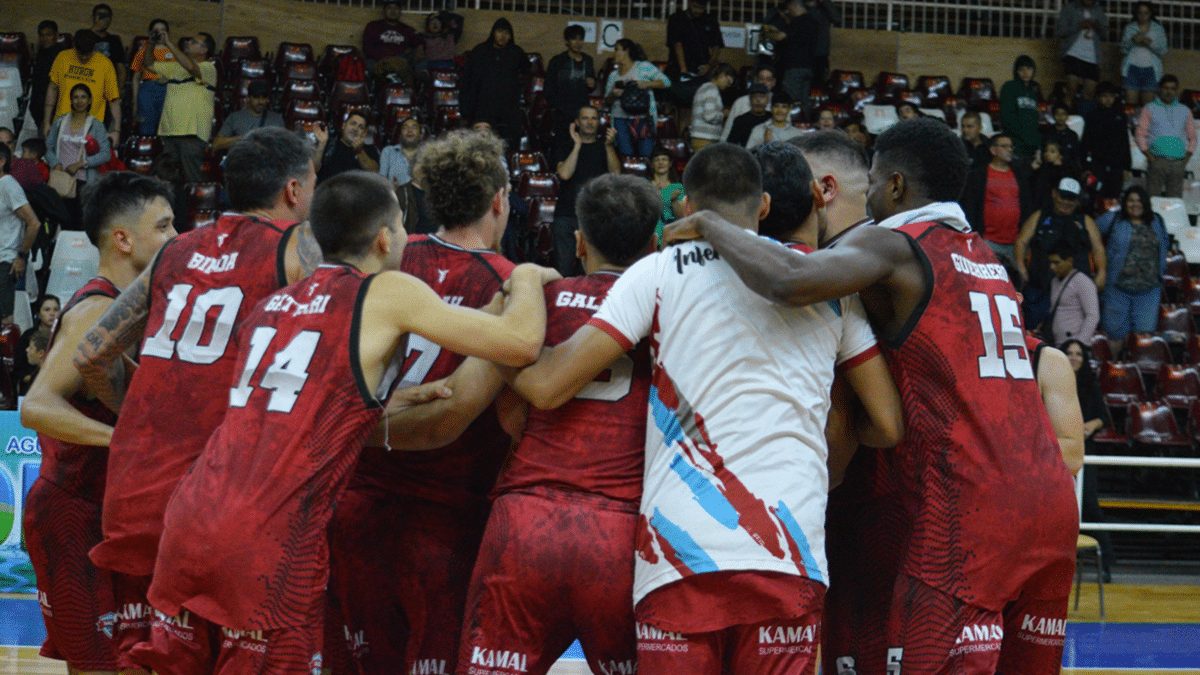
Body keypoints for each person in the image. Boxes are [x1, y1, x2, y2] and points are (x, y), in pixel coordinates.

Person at [664, 118, 1080, 675]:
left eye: (878, 180)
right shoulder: (982, 254)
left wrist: (711, 223)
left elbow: (789, 280)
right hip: (1049, 505)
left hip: (970, 506)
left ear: (898, 186)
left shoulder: (894, 244)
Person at [498, 141, 902, 675]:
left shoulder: (659, 271)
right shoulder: (832, 287)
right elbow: (889, 424)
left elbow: (548, 385)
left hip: (679, 552)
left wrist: (503, 321)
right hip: (790, 547)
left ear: (687, 208)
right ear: (760, 206)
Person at [142, 170, 554, 675]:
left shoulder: (273, 304)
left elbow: (287, 410)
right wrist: (531, 277)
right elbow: (521, 342)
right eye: (402, 228)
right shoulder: (386, 290)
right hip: (268, 539)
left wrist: (383, 403)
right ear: (384, 237)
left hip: (189, 520)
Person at [70, 127, 324, 670]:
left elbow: (91, 353)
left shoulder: (175, 251)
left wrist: (144, 412)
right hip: (219, 500)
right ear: (296, 192)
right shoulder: (297, 251)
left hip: (137, 495)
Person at [326, 130, 528, 675]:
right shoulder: (512, 286)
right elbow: (506, 415)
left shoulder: (385, 257)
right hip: (445, 520)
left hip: (354, 501)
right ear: (498, 201)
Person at [452, 172, 657, 675]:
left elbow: (509, 411)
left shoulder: (542, 301)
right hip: (622, 527)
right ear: (654, 244)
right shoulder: (666, 310)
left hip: (526, 518)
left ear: (580, 242)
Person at [20, 172, 174, 675]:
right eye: (165, 226)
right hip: (74, 512)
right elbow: (37, 406)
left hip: (113, 514)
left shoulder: (135, 306)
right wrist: (125, 442)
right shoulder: (99, 308)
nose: (175, 239)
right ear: (124, 238)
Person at [1015, 177, 1106, 329]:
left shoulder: (1086, 221)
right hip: (1040, 288)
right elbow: (1021, 242)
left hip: (1074, 295)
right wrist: (1020, 266)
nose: (1066, 202)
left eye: (1071, 199)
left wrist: (1102, 272)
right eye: (1063, 196)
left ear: (1077, 201)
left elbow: (1098, 248)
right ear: (1055, 194)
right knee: (1034, 332)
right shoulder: (1039, 216)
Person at [1061, 338, 1115, 581]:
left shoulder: (1090, 384)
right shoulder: (1052, 381)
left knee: (1090, 505)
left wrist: (1090, 425)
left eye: (1079, 354)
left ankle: (1106, 563)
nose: (1074, 357)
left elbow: (1102, 417)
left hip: (1085, 449)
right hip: (1057, 449)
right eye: (1069, 353)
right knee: (1059, 506)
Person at [1097, 185, 1168, 356]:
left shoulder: (1157, 220)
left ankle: (1135, 377)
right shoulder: (1113, 219)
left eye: (1139, 200)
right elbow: (1089, 232)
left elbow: (1164, 245)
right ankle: (1114, 372)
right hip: (1117, 290)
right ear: (1124, 203)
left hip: (1148, 292)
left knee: (1143, 338)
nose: (1134, 204)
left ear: (1146, 203)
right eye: (1130, 200)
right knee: (1114, 335)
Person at [553, 105, 620, 276]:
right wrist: (577, 146)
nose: (590, 123)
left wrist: (609, 146)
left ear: (599, 122)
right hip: (566, 214)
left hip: (595, 215)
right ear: (577, 122)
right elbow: (565, 174)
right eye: (585, 118)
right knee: (564, 270)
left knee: (593, 271)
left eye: (594, 118)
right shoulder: (565, 145)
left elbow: (616, 174)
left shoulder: (606, 147)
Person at [146, 32, 217, 186]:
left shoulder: (208, 68)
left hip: (191, 135)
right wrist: (150, 44)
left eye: (193, 41)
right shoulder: (175, 67)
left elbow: (191, 67)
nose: (188, 43)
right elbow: (149, 64)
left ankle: (191, 210)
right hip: (170, 132)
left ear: (204, 50)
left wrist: (169, 44)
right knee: (165, 181)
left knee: (192, 182)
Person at [960, 132, 1034, 262]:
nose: (1009, 150)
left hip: (1015, 242)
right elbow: (970, 207)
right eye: (1004, 146)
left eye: (1011, 147)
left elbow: (1027, 206)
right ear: (993, 150)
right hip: (987, 240)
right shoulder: (978, 175)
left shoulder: (1020, 175)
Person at [43, 30, 121, 147]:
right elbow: (52, 89)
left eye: (87, 54)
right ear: (74, 46)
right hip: (62, 124)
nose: (84, 57)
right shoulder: (63, 57)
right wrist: (46, 122)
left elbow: (113, 100)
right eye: (81, 54)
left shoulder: (105, 64)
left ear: (94, 47)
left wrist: (116, 130)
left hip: (91, 128)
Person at [462, 18, 529, 152]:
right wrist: (465, 108)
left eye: (507, 33)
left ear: (511, 35)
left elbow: (526, 71)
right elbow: (467, 81)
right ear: (493, 33)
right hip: (482, 107)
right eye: (500, 31)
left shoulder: (516, 52)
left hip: (508, 109)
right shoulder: (480, 51)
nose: (503, 36)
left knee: (509, 144)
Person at [605, 39, 670, 158]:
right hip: (620, 119)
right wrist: (614, 94)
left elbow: (666, 82)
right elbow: (606, 101)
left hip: (642, 118)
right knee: (625, 156)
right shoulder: (613, 75)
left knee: (646, 154)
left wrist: (646, 84)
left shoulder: (643, 67)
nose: (615, 53)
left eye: (617, 50)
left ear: (627, 51)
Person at [1136, 75, 1197, 199]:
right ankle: (1152, 219)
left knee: (1174, 201)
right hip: (1157, 161)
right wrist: (1151, 158)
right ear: (1159, 89)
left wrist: (1185, 160)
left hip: (1178, 163)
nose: (1169, 92)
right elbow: (1139, 134)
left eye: (1172, 89)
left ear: (1176, 91)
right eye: (1165, 88)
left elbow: (1193, 137)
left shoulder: (1185, 110)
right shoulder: (1149, 108)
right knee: (1152, 199)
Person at [0, 144, 42, 325]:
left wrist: (21, 256)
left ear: (1, 161)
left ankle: (6, 353)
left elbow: (34, 223)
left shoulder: (9, 186)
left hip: (5, 259)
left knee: (5, 319)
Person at [45, 84, 113, 193]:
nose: (79, 101)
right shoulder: (60, 122)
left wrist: (80, 164)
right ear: (71, 100)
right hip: (60, 177)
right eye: (76, 97)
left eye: (83, 97)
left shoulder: (96, 125)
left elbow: (105, 154)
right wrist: (56, 164)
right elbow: (48, 148)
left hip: (84, 180)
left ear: (90, 100)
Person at [665, 0, 725, 116]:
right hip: (678, 69)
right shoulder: (677, 19)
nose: (699, 11)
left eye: (701, 8)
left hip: (702, 69)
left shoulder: (710, 20)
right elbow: (677, 45)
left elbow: (717, 47)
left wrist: (709, 65)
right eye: (696, 7)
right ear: (690, 3)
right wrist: (683, 70)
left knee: (700, 105)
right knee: (678, 105)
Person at [545, 24, 597, 146]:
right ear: (567, 41)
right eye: (574, 39)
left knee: (583, 145)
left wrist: (592, 84)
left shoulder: (588, 60)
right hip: (562, 112)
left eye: (581, 39)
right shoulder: (557, 61)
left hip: (582, 112)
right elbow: (548, 87)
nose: (578, 42)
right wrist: (557, 106)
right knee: (562, 145)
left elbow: (592, 84)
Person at [764, 0, 818, 115]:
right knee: (803, 101)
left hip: (794, 67)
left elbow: (779, 37)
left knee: (791, 100)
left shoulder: (798, 21)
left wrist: (767, 31)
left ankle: (792, 124)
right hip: (808, 67)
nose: (789, 11)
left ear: (794, 5)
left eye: (789, 8)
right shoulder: (813, 21)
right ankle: (804, 123)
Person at [1044, 240, 1101, 346]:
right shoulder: (1054, 281)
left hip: (1074, 346)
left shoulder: (1083, 282)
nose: (1052, 267)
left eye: (1056, 262)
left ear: (1069, 261)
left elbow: (1093, 316)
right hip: (1057, 343)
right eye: (1050, 263)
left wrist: (1079, 343)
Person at [1082, 81, 1133, 199]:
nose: (1108, 99)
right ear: (1098, 97)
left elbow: (1124, 142)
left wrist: (1126, 167)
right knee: (1093, 196)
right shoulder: (1092, 116)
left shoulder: (1120, 116)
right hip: (1096, 165)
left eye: (1111, 96)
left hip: (1116, 166)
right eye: (1104, 96)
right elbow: (1086, 142)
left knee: (1113, 198)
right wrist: (1086, 167)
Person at [1057, 0, 1108, 109]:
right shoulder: (1070, 8)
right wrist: (1080, 25)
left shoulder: (1098, 11)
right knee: (1071, 88)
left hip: (1092, 57)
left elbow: (1105, 34)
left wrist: (1098, 26)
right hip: (1073, 53)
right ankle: (1066, 120)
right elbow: (1060, 31)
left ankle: (1085, 122)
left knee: (1089, 94)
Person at [212, 79, 284, 152]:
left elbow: (285, 148)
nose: (261, 101)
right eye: (256, 97)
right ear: (248, 98)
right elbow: (216, 144)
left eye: (264, 97)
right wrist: (245, 138)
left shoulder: (277, 119)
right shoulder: (235, 117)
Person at [129, 19, 173, 137]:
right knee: (146, 130)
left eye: (163, 31)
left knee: (166, 129)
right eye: (156, 31)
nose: (159, 34)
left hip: (168, 90)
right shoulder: (143, 52)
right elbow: (136, 78)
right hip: (147, 90)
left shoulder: (174, 52)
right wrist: (134, 102)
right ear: (150, 34)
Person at [362, 0, 424, 84]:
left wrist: (419, 48)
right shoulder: (373, 26)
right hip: (379, 60)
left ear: (400, 11)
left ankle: (419, 85)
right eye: (389, 8)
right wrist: (389, 57)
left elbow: (419, 40)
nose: (393, 11)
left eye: (396, 8)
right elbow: (367, 47)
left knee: (419, 56)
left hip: (401, 60)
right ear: (384, 11)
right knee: (367, 64)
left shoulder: (407, 29)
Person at [1121, 2, 1168, 106]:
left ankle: (1145, 123)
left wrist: (1150, 43)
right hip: (1131, 69)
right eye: (1140, 13)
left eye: (1146, 13)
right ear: (1136, 14)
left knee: (1148, 107)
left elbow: (1163, 50)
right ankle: (1131, 122)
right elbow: (1123, 49)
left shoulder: (1158, 29)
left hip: (1151, 70)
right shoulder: (1130, 28)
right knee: (1130, 106)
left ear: (1150, 13)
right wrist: (1132, 41)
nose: (1143, 16)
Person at [13, 294, 59, 395]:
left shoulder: (64, 335)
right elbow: (18, 367)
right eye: (47, 310)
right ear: (38, 314)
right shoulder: (28, 336)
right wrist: (32, 378)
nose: (52, 313)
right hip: (30, 385)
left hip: (57, 385)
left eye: (56, 309)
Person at [318, 112, 380, 183]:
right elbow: (314, 168)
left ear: (365, 133)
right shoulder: (328, 143)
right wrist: (321, 144)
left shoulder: (370, 149)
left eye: (361, 127)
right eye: (353, 124)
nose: (355, 129)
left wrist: (359, 152)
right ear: (343, 125)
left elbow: (374, 173)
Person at [1000, 55, 1042, 158]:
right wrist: (1020, 139)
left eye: (1028, 69)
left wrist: (1036, 143)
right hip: (1015, 143)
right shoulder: (1009, 87)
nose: (1025, 73)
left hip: (1031, 145)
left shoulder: (1034, 91)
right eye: (1021, 69)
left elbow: (1034, 119)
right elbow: (1007, 117)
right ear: (1016, 71)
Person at [30, 20, 66, 138]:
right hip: (40, 111)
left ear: (56, 35)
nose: (45, 38)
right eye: (42, 35)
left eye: (48, 34)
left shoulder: (62, 56)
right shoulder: (40, 54)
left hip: (55, 112)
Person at [721, 66, 775, 142]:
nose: (764, 82)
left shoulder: (777, 103)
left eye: (768, 80)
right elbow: (728, 129)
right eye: (761, 79)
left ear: (773, 82)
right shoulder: (741, 102)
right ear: (755, 80)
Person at [690, 63, 736, 152]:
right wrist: (724, 114)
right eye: (729, 81)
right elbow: (709, 116)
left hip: (701, 137)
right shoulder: (712, 89)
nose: (728, 86)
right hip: (705, 138)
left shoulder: (705, 88)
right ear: (722, 75)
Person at [650, 146, 684, 241]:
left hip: (671, 233)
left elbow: (681, 217)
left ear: (670, 163)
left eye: (664, 159)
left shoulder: (678, 188)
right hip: (650, 232)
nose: (660, 162)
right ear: (652, 164)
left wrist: (673, 200)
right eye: (657, 160)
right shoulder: (646, 185)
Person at [89, 4, 126, 91]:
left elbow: (121, 68)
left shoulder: (115, 40)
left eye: (107, 16)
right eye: (101, 16)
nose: (105, 19)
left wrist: (119, 89)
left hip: (108, 85)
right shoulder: (83, 37)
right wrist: (95, 29)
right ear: (93, 17)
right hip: (87, 83)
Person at [1031, 140, 1076, 212]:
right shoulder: (1042, 168)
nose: (1048, 154)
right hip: (1037, 206)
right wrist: (1033, 170)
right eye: (1046, 151)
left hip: (1052, 209)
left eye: (1052, 152)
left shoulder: (1065, 172)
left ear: (1060, 155)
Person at [804, 0, 842, 85]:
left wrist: (824, 2)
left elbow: (837, 18)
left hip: (820, 53)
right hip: (803, 54)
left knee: (819, 83)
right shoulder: (800, 7)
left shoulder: (824, 8)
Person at [379, 116, 423, 187]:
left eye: (414, 127)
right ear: (400, 135)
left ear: (421, 135)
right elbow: (381, 182)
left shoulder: (427, 154)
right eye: (405, 127)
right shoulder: (388, 152)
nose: (409, 130)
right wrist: (390, 189)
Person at [1044, 103, 1081, 167]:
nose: (1060, 117)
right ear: (1053, 115)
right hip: (1049, 169)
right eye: (1057, 114)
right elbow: (1043, 154)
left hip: (1067, 170)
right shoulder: (1047, 133)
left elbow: (1075, 156)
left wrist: (1062, 161)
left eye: (1063, 114)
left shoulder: (1072, 135)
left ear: (1067, 116)